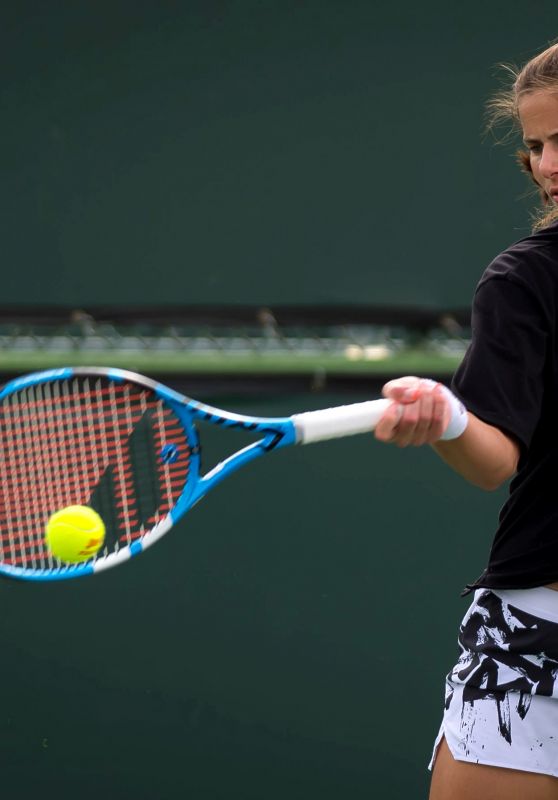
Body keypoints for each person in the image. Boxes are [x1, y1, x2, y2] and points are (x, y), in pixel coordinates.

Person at [374, 41, 558, 800]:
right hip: (541, 628)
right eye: (537, 145)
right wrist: (449, 418)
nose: (548, 163)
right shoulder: (524, 282)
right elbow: (493, 459)